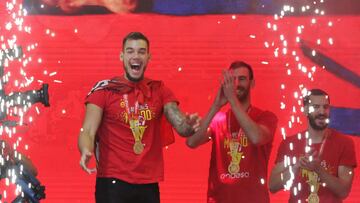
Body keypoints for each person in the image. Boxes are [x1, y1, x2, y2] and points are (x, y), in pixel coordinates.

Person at [78, 31, 199, 203]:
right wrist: (85, 149)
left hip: (148, 183)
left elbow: (180, 124)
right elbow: (88, 130)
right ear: (121, 56)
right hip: (112, 181)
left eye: (141, 52)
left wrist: (189, 125)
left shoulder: (158, 90)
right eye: (130, 51)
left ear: (149, 57)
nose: (136, 56)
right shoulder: (105, 90)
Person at [186, 61, 278, 203]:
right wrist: (216, 105)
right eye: (232, 80)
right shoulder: (218, 119)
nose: (236, 84)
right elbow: (192, 142)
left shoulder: (265, 117)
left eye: (241, 79)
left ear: (252, 83)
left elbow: (256, 137)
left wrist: (232, 99)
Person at [269, 89, 357, 202]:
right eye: (315, 107)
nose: (322, 112)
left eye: (325, 107)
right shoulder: (289, 143)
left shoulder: (345, 143)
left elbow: (344, 191)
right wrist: (296, 167)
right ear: (305, 110)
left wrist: (318, 169)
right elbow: (273, 186)